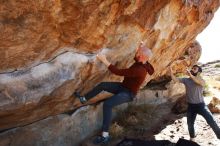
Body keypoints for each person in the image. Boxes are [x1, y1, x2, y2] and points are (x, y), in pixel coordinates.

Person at [73, 42, 154, 145]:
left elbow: (118, 72)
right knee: (103, 85)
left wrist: (104, 60)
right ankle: (84, 99)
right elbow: (138, 57)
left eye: (138, 52)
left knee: (107, 104)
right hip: (123, 87)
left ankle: (105, 136)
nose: (136, 53)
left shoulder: (139, 70)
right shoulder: (144, 62)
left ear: (142, 56)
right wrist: (140, 47)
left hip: (128, 94)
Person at [169, 64, 220, 141]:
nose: (192, 69)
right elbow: (175, 79)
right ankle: (192, 138)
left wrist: (191, 75)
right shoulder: (186, 80)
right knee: (190, 123)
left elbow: (198, 82)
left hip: (201, 105)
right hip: (191, 106)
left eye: (195, 69)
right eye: (192, 68)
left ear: (199, 72)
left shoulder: (201, 80)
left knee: (211, 120)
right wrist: (170, 71)